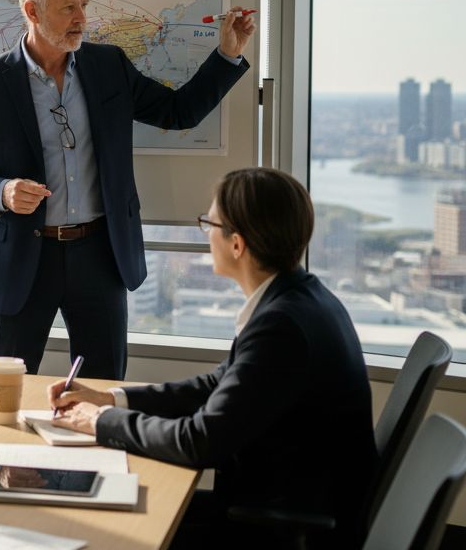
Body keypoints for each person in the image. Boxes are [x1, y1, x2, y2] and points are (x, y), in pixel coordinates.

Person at [0, 0, 253, 379]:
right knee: (8, 388)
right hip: (21, 259)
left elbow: (178, 113)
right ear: (32, 11)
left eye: (84, 5)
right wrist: (2, 190)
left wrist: (227, 54)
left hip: (100, 254)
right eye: (68, 8)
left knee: (103, 387)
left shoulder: (109, 67)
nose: (82, 19)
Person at [49, 168, 375, 548]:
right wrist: (111, 399)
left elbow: (199, 442)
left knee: (103, 527)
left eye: (209, 223)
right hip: (286, 501)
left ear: (236, 244)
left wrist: (104, 422)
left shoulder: (280, 327)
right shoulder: (301, 297)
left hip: (278, 525)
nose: (206, 235)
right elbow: (217, 384)